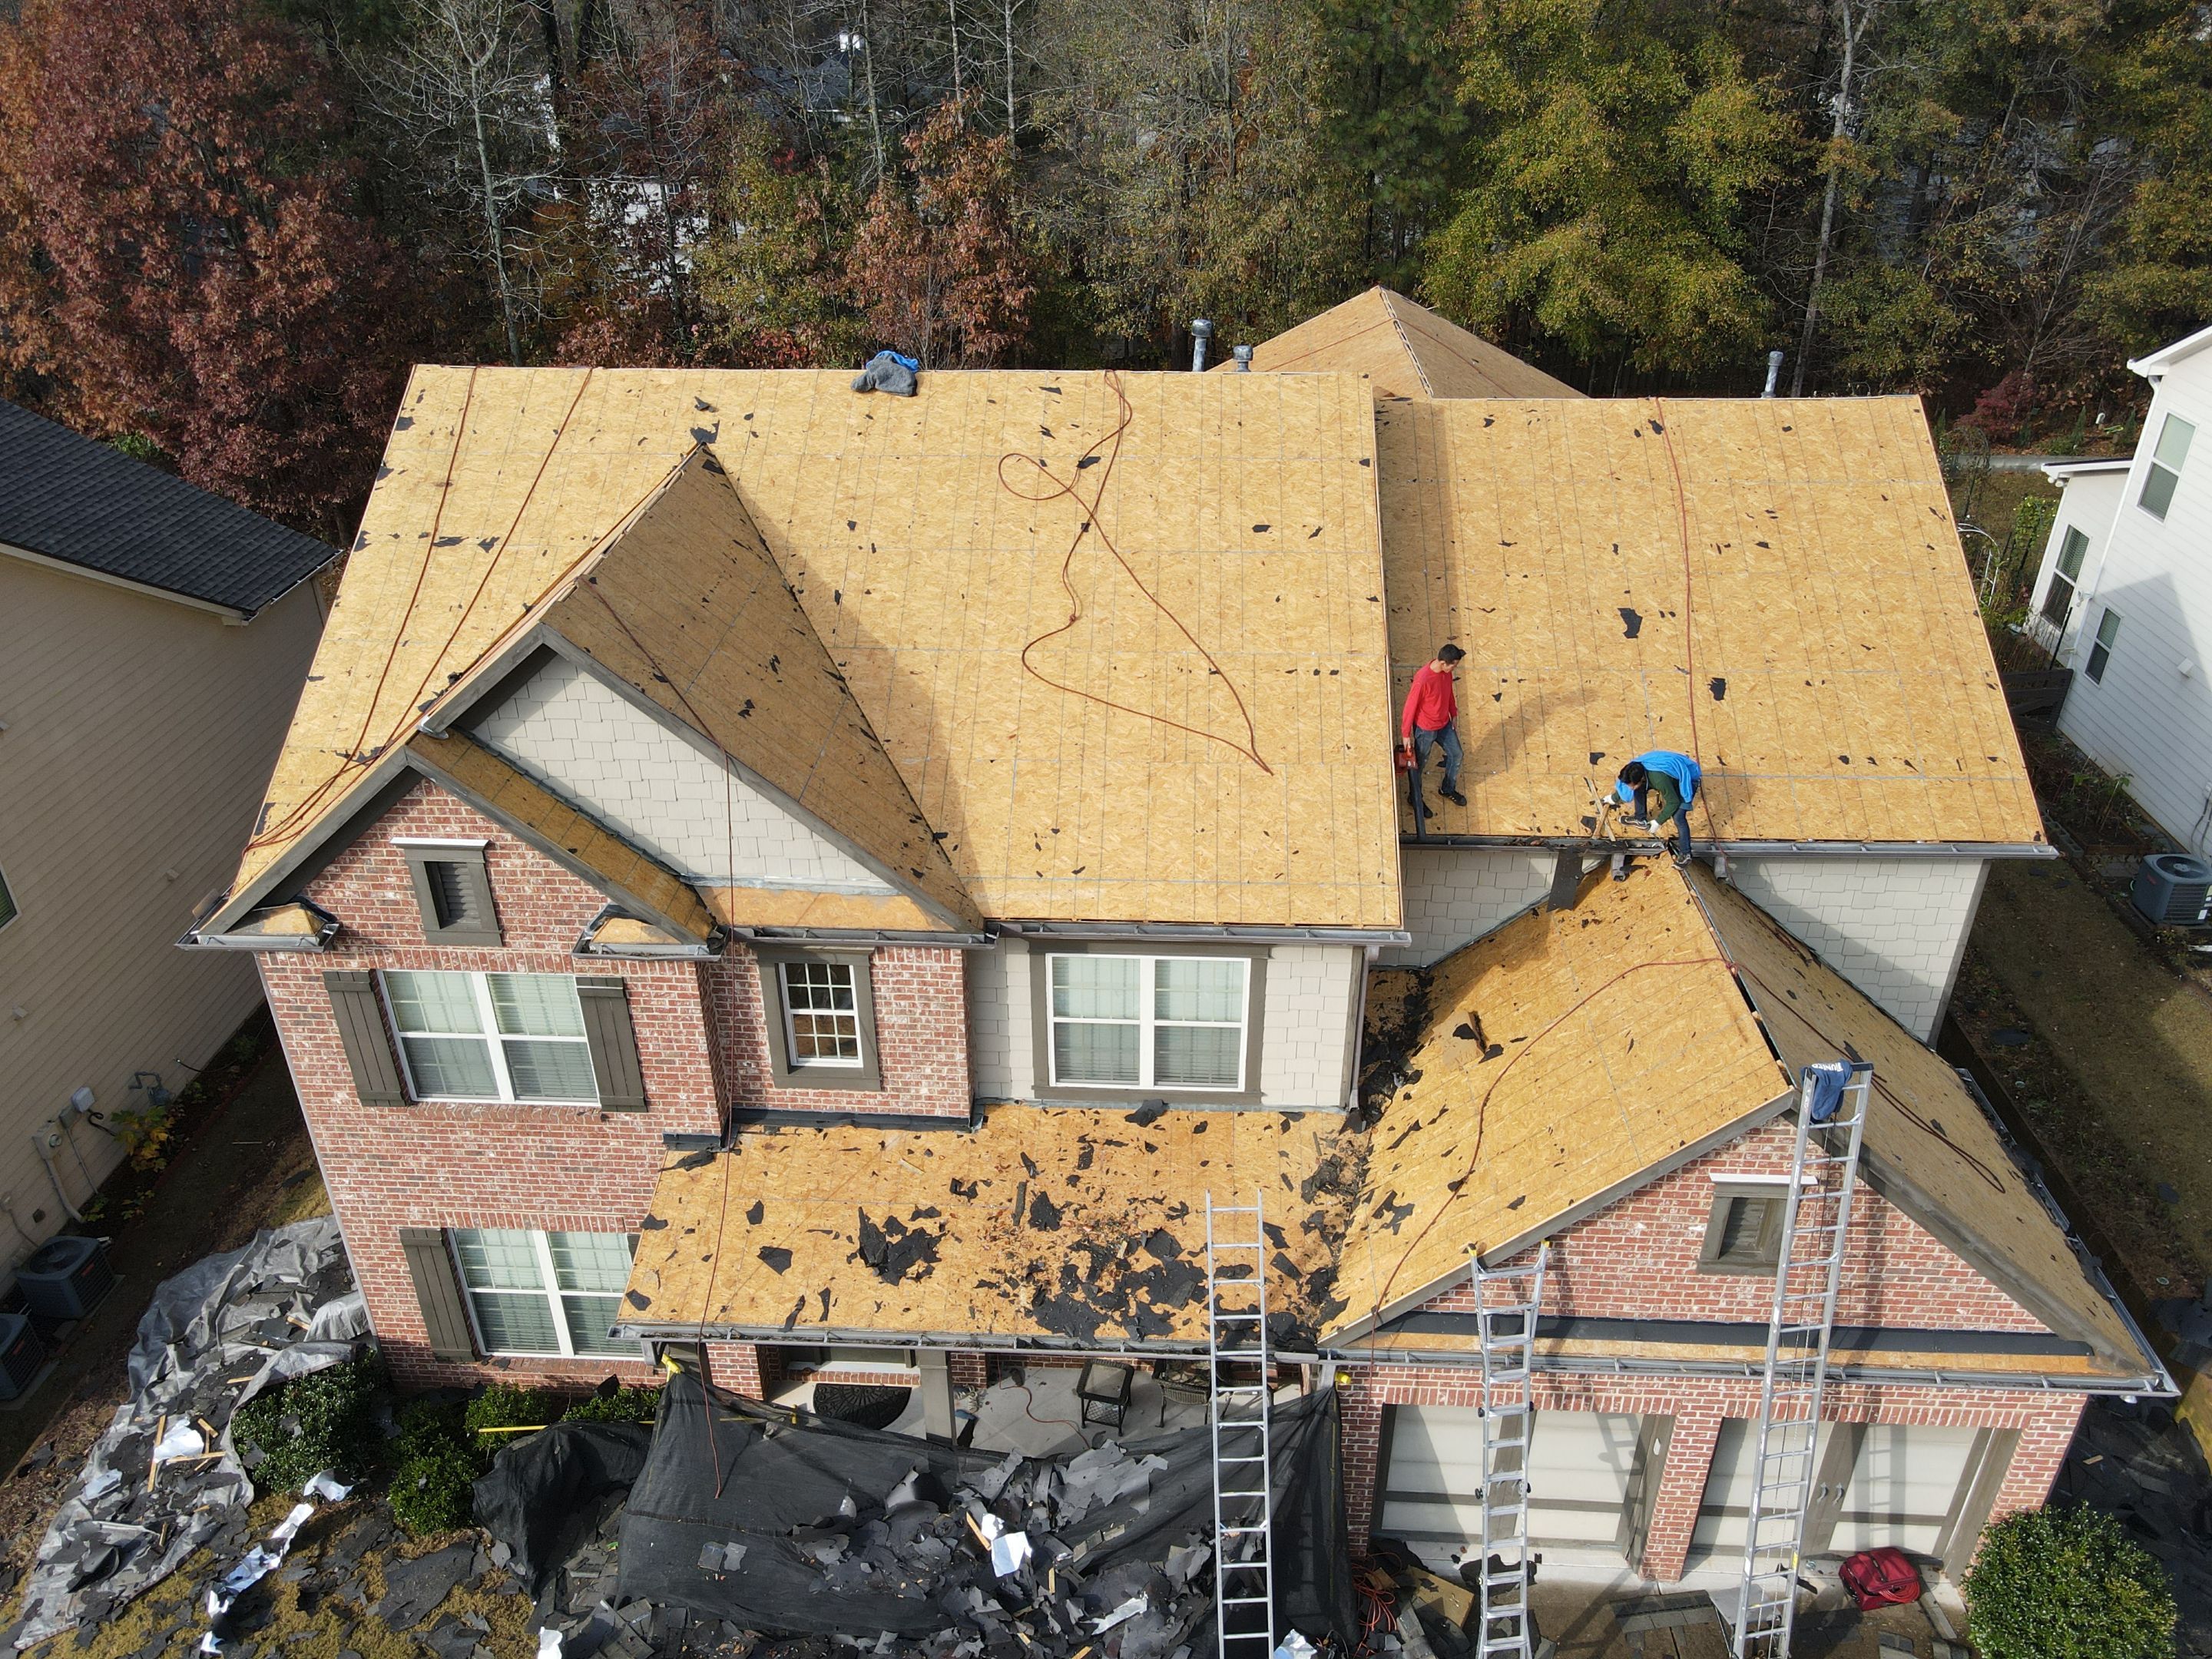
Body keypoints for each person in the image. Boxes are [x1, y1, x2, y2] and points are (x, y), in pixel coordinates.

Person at [1399, 644, 1467, 808]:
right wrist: (1406, 735)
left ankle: (1447, 789)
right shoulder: (1423, 680)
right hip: (1426, 729)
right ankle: (1415, 798)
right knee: (1420, 763)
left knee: (1457, 755)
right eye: (1453, 666)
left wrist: (1453, 713)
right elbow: (1410, 707)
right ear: (1443, 663)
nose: (1454, 669)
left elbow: (1448, 693)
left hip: (1444, 724)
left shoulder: (1446, 673)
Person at [1616, 750, 1703, 866]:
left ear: (1641, 778)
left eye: (1631, 785)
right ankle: (1640, 818)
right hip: (1667, 777)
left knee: (1679, 818)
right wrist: (1613, 798)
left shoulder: (1659, 780)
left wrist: (1658, 821)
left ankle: (1686, 854)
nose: (1630, 788)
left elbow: (1673, 802)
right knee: (1639, 789)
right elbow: (1625, 786)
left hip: (1687, 780)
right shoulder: (1635, 769)